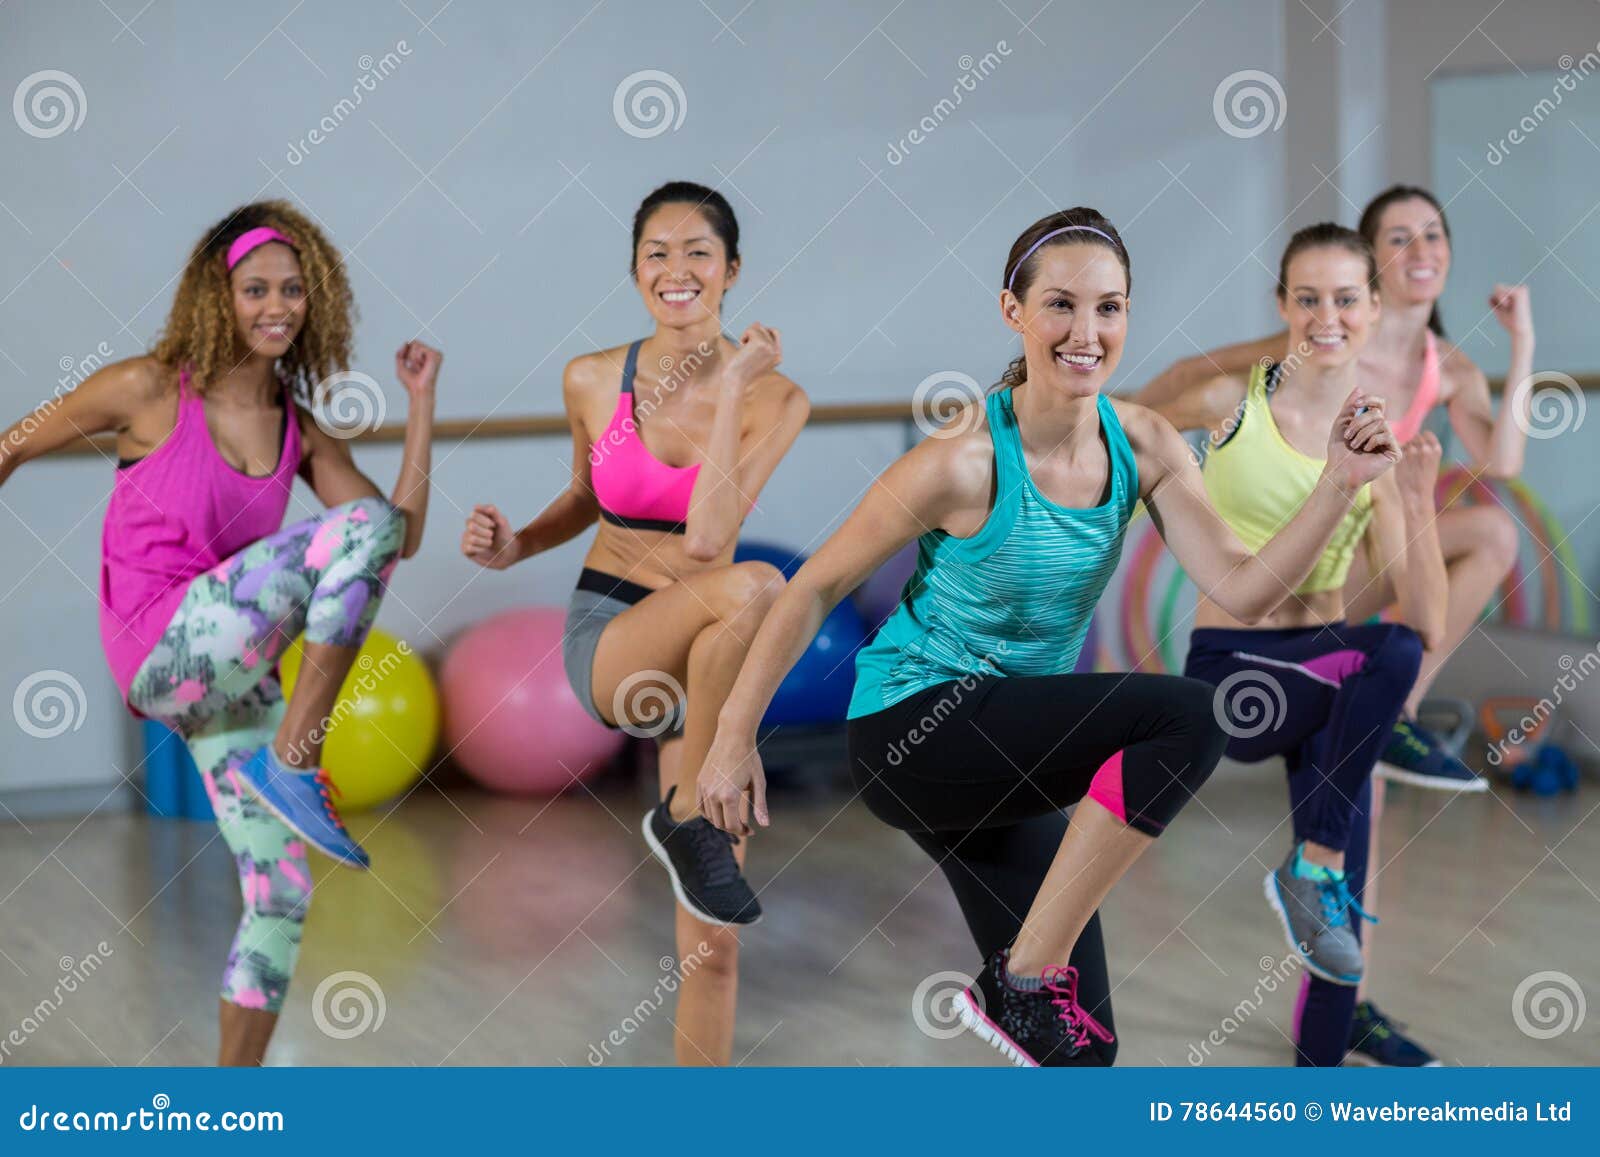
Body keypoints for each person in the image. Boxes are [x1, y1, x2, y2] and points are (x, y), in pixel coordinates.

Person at [692, 207, 1399, 1067]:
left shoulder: (1143, 443)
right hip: (910, 730)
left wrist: (1336, 485)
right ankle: (1022, 977)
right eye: (1061, 305)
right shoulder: (964, 460)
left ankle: (1026, 983)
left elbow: (1244, 588)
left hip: (1002, 752)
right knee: (1188, 716)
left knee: (1082, 1051)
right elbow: (814, 587)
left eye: (1110, 307)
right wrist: (731, 739)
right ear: (1013, 313)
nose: (1086, 331)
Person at [0, 201, 439, 1064]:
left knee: (280, 894)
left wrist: (423, 404)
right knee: (358, 535)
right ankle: (296, 759)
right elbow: (12, 443)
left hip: (232, 676)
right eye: (254, 289)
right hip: (159, 644)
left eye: (292, 290)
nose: (276, 306)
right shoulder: (152, 387)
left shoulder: (296, 426)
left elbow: (397, 535)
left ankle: (228, 1102)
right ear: (217, 295)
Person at [461, 181, 808, 1066]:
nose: (677, 268)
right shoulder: (591, 378)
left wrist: (733, 386)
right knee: (758, 584)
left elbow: (709, 534)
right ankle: (695, 802)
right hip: (617, 638)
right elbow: (591, 498)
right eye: (657, 251)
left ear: (733, 271)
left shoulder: (779, 399)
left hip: (710, 670)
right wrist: (518, 545)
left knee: (716, 945)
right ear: (634, 271)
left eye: (699, 252)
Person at [1160, 222, 1449, 1066]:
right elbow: (1121, 419)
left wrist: (1419, 494)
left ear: (1374, 306)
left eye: (1346, 298)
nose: (1328, 315)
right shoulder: (1229, 400)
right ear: (1282, 305)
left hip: (1329, 680)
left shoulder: (1374, 437)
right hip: (1236, 679)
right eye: (1308, 297)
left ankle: (1314, 1083)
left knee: (1340, 918)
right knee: (1384, 658)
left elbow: (1425, 616)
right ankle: (1313, 864)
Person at [1135, 184, 1533, 791]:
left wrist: (1524, 342)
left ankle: (1400, 713)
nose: (1421, 249)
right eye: (1400, 238)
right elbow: (1197, 375)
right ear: (1373, 263)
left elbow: (1502, 461)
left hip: (1355, 546)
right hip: (1281, 564)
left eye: (1433, 234)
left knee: (1493, 533)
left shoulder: (1446, 368)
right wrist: (1100, 426)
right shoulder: (1321, 339)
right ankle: (1377, 716)